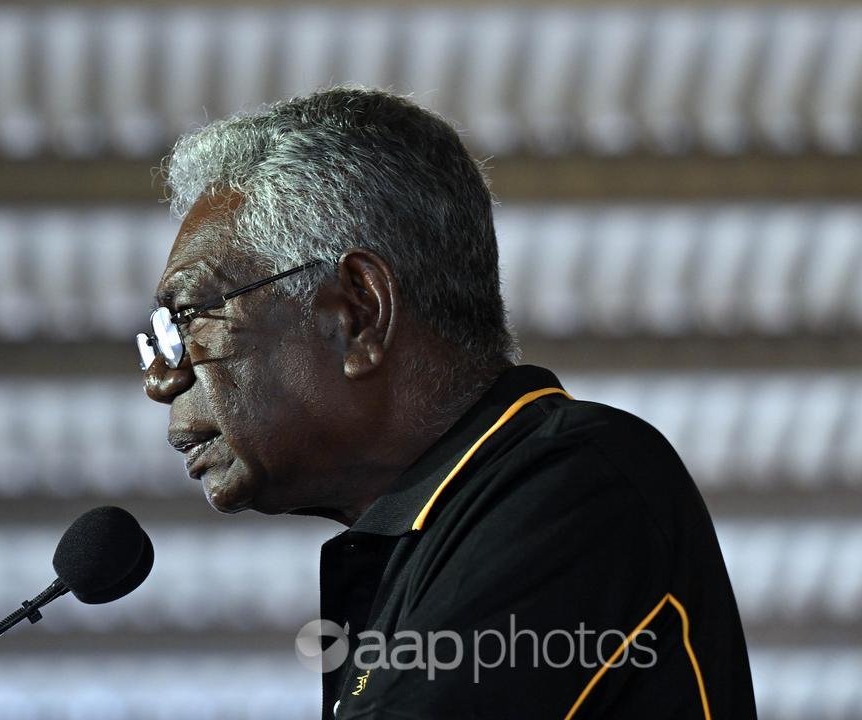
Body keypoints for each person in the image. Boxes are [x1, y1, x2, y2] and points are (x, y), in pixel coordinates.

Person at [137, 87, 756, 719]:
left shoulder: (582, 482)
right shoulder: (426, 544)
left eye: (186, 319)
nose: (160, 378)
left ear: (357, 314)